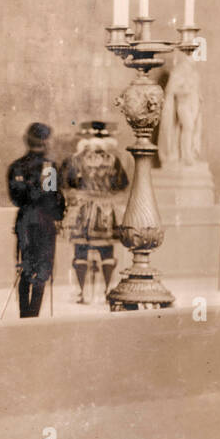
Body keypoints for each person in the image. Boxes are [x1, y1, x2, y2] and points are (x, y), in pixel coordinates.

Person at [59, 122, 129, 305]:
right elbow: (122, 184)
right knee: (106, 250)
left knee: (80, 250)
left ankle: (82, 292)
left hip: (81, 210)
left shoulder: (75, 159)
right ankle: (106, 291)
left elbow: (66, 182)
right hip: (106, 210)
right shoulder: (113, 159)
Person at [6, 122, 65, 318]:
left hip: (25, 222)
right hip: (45, 223)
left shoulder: (16, 166)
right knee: (42, 271)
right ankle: (34, 315)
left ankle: (25, 314)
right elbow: (52, 198)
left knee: (25, 268)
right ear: (46, 142)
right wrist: (59, 214)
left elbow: (15, 198)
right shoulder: (49, 168)